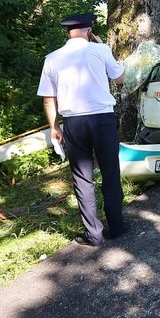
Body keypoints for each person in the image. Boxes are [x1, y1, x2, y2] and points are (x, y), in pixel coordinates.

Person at [37, 13, 127, 245]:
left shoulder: (52, 58)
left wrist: (54, 127)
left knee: (82, 178)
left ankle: (94, 234)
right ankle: (117, 227)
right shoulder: (100, 50)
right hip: (102, 120)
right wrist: (102, 47)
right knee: (110, 173)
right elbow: (120, 79)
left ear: (68, 32)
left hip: (74, 123)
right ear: (89, 31)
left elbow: (49, 99)